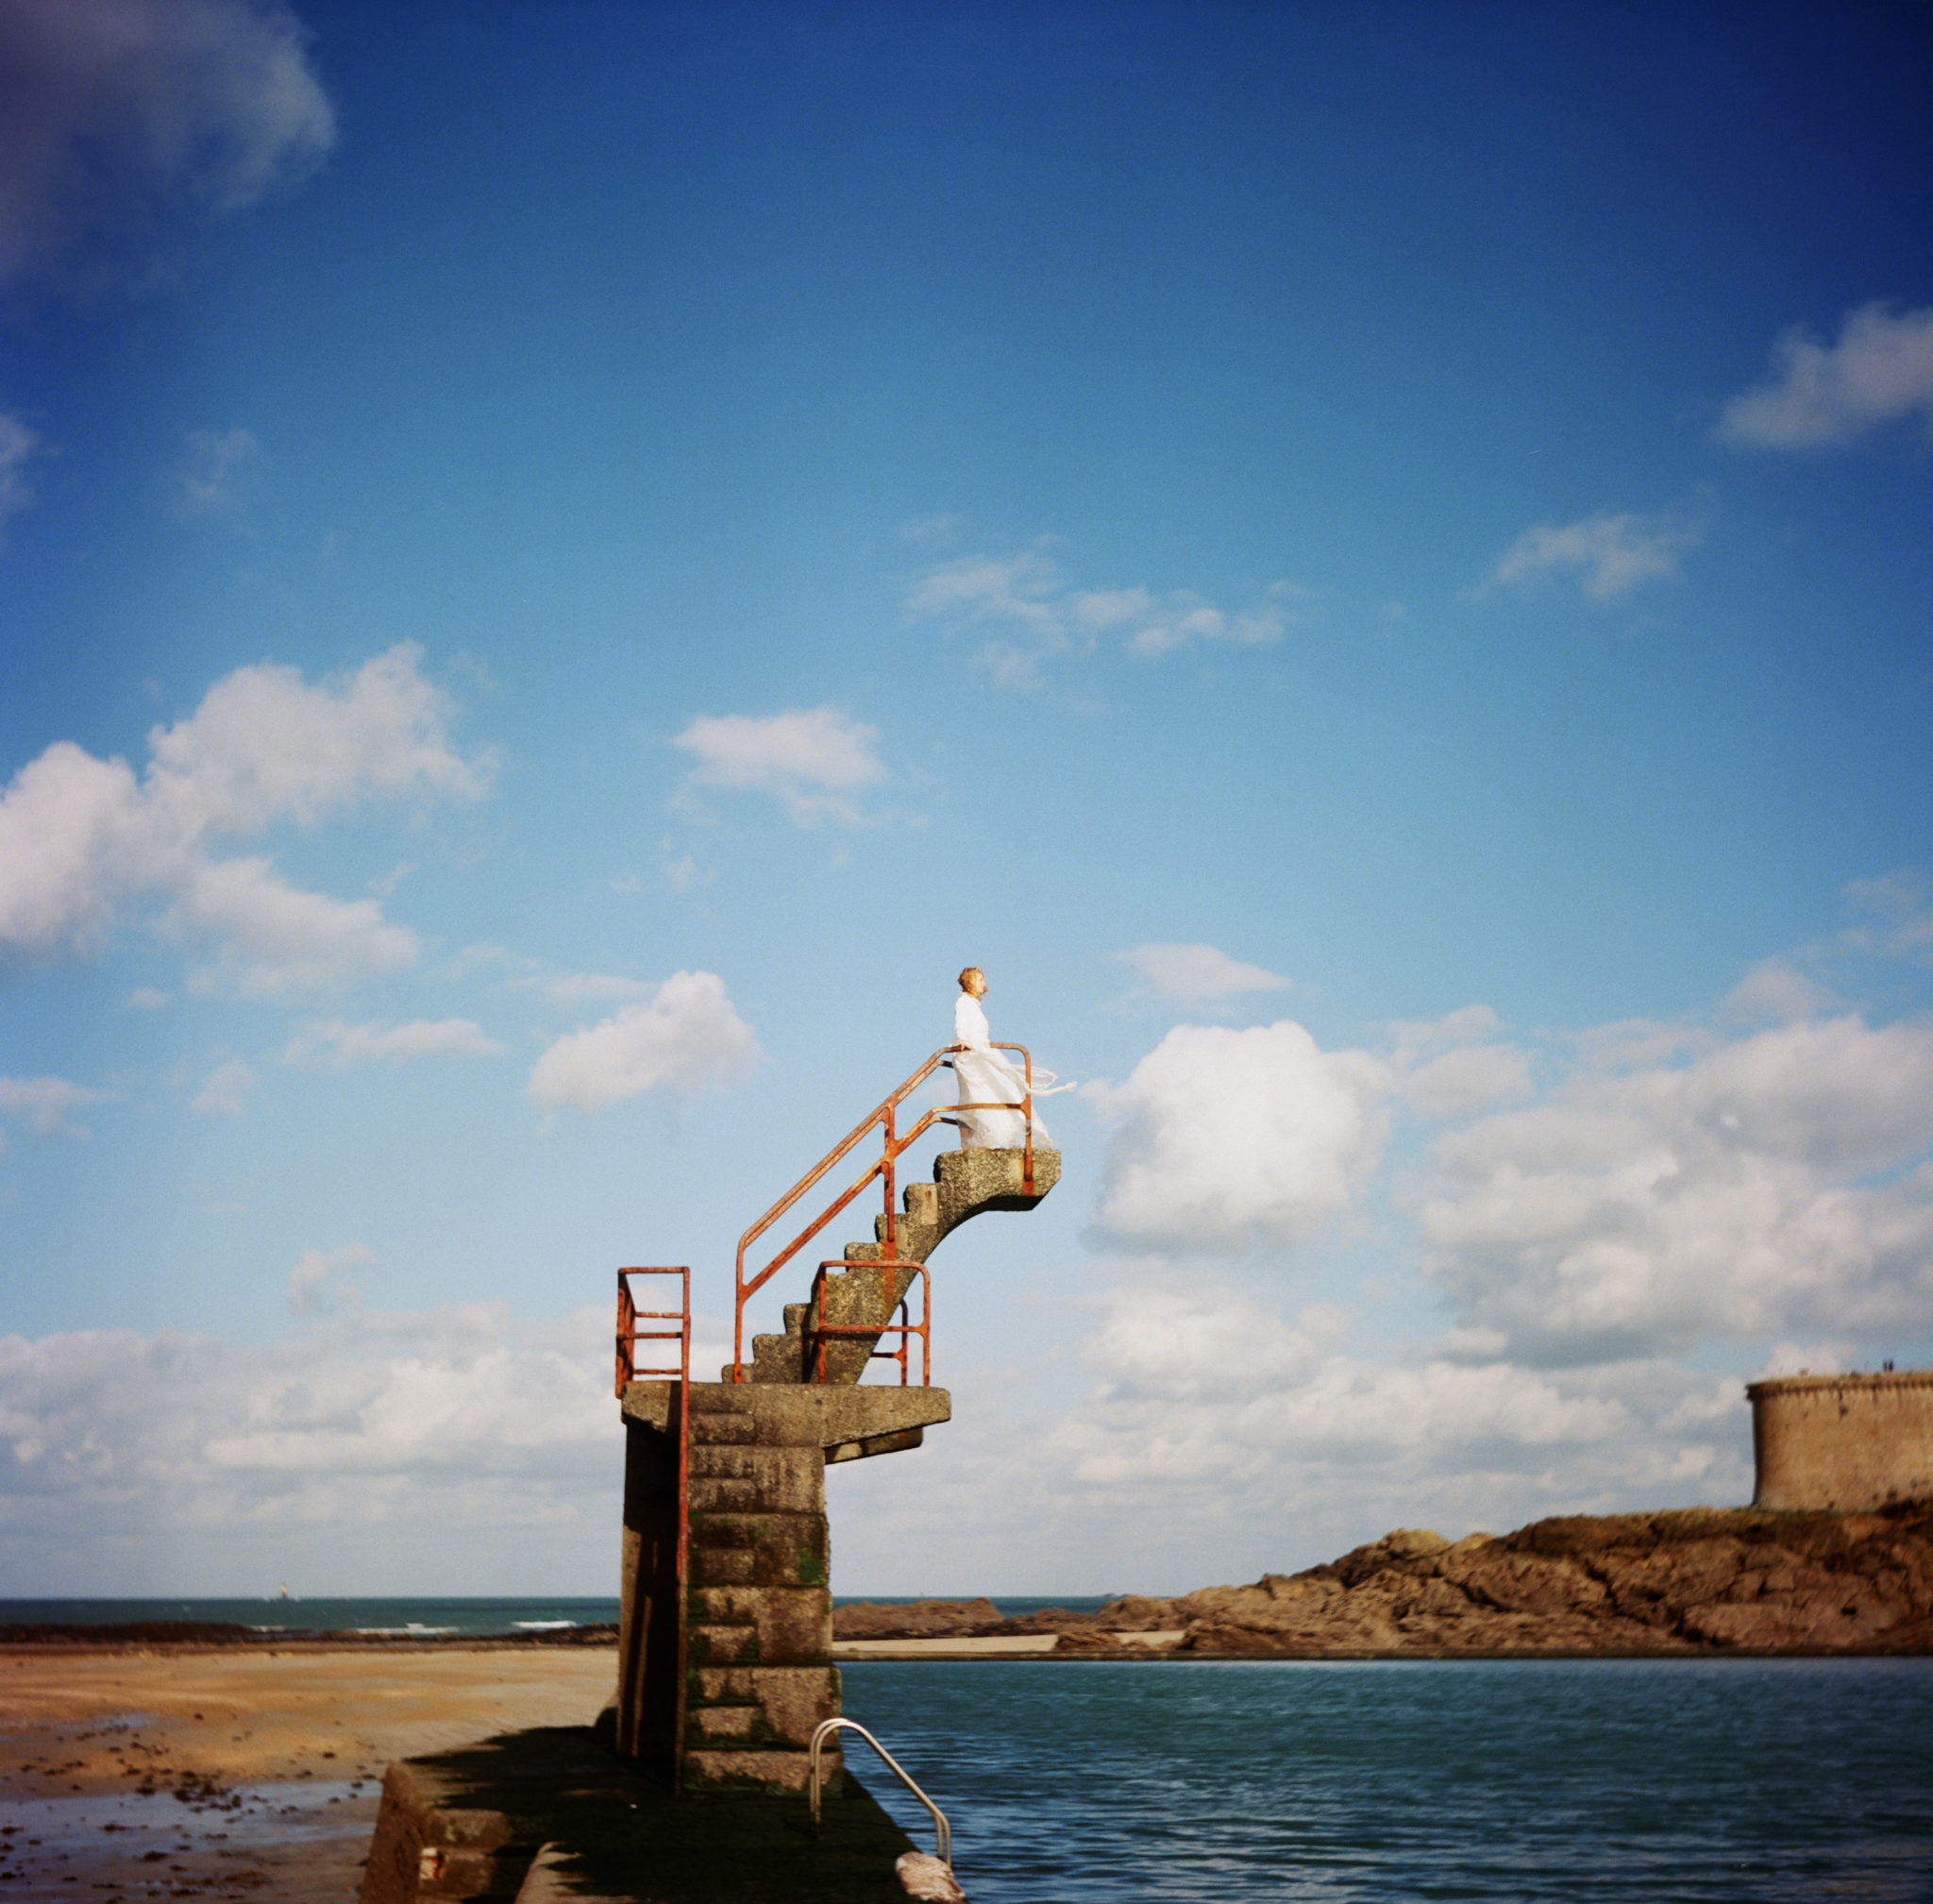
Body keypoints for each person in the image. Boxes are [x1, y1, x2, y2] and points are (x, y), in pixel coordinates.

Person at [951, 966, 1068, 1148]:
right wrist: (964, 1040)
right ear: (971, 981)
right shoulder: (963, 1002)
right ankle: (973, 1142)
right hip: (971, 1056)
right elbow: (961, 1025)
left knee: (1001, 1088)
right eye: (981, 980)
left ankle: (1001, 1135)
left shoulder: (973, 1004)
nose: (984, 984)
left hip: (979, 1053)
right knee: (976, 1096)